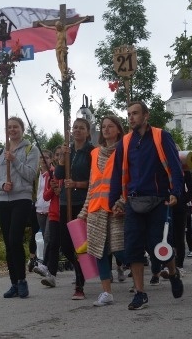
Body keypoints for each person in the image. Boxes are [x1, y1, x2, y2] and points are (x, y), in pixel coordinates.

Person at [109, 101, 184, 310]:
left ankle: (174, 273)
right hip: (133, 201)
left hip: (159, 200)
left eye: (135, 113)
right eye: (129, 114)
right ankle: (140, 293)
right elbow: (117, 174)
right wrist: (114, 200)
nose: (131, 117)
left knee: (158, 246)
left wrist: (176, 192)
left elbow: (176, 167)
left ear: (146, 115)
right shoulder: (124, 142)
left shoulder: (161, 136)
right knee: (133, 248)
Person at [77, 115, 125, 307]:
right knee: (100, 253)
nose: (106, 129)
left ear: (118, 129)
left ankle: (146, 263)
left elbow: (127, 180)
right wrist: (84, 211)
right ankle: (107, 293)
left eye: (110, 126)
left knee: (121, 252)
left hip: (116, 208)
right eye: (103, 126)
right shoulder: (95, 153)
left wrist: (123, 201)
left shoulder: (124, 150)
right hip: (96, 209)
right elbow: (93, 185)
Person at [0, 116, 40, 299]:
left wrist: (15, 161)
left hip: (22, 199)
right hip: (3, 200)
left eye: (15, 127)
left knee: (14, 240)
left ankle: (22, 280)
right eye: (9, 127)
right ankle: (13, 283)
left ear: (22, 129)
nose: (12, 130)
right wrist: (2, 185)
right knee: (8, 245)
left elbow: (31, 175)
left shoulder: (31, 150)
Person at [54, 118, 94, 300]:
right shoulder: (68, 150)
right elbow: (59, 174)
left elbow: (95, 180)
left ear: (87, 132)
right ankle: (84, 270)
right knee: (65, 244)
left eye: (81, 128)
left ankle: (80, 284)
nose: (77, 131)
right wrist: (62, 157)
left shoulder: (91, 152)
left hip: (82, 202)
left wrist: (77, 183)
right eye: (75, 128)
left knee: (80, 244)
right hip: (65, 201)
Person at [33, 148, 62, 288]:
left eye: (46, 157)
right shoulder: (41, 175)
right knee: (49, 239)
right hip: (44, 210)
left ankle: (45, 265)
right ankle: (48, 267)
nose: (43, 160)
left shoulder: (54, 172)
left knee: (52, 239)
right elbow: (44, 194)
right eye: (41, 157)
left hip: (55, 211)